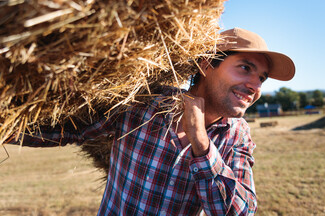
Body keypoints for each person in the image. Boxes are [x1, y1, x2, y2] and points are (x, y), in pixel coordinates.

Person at [7, 28, 295, 215]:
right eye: (245, 68)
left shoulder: (238, 136)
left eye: (261, 78)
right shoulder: (145, 104)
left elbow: (238, 211)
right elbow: (71, 131)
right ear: (207, 65)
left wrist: (201, 142)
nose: (255, 85)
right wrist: (7, 126)